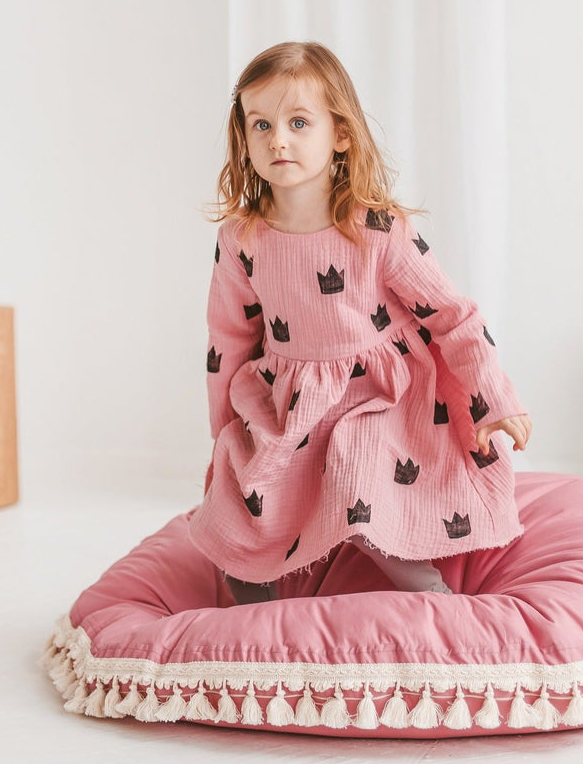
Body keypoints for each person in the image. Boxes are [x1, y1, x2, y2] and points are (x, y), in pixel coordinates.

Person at [186, 41, 531, 603]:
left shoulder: (377, 229)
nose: (278, 139)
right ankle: (258, 630)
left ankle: (431, 599)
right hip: (290, 404)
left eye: (299, 122)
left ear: (339, 134)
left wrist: (494, 399)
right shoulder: (242, 239)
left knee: (359, 485)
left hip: (379, 402)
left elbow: (454, 316)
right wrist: (226, 432)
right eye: (261, 125)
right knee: (240, 525)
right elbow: (228, 339)